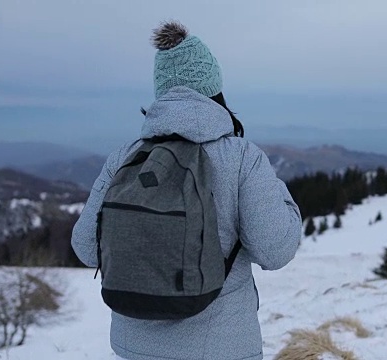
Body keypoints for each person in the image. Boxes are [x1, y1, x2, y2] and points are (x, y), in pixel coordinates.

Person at [71, 21, 302, 360]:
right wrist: (283, 198)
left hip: (133, 348)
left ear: (160, 92)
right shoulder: (241, 158)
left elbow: (86, 247)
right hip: (221, 347)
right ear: (215, 89)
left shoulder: (126, 156)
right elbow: (276, 250)